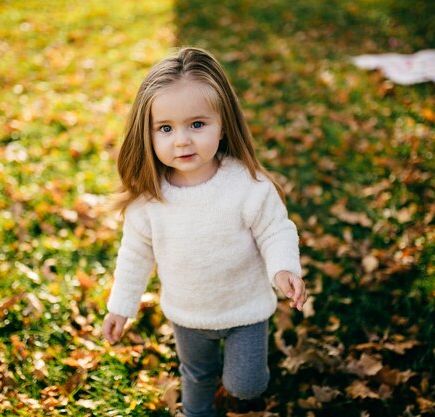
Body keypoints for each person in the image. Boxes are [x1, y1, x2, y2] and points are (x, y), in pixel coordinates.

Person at [101, 47, 307, 417]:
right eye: (166, 128)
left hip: (245, 310)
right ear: (147, 134)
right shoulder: (149, 201)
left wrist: (283, 269)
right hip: (187, 314)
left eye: (197, 125)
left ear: (223, 124)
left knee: (246, 386)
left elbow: (275, 230)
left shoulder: (246, 186)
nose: (181, 140)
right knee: (196, 375)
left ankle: (246, 389)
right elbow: (135, 255)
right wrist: (121, 305)